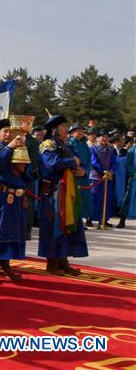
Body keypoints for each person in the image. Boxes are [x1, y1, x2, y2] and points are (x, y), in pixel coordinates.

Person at [39, 115, 88, 276]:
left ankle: (63, 260)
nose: (67, 129)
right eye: (63, 126)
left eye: (67, 126)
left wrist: (83, 171)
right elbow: (53, 164)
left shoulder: (67, 145)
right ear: (54, 129)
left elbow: (81, 162)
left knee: (66, 226)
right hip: (53, 192)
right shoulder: (47, 145)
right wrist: (73, 162)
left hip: (68, 191)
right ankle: (52, 262)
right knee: (53, 226)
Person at [0, 119, 29, 283]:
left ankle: (5, 265)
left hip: (15, 196)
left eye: (11, 131)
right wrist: (9, 147)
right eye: (5, 131)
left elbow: (27, 173)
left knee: (11, 232)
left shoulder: (20, 148)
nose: (9, 134)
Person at [67, 123, 93, 226]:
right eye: (79, 130)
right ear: (73, 132)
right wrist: (77, 170)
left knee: (84, 199)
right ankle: (73, 222)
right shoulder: (69, 143)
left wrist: (85, 171)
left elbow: (89, 160)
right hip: (74, 174)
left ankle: (81, 222)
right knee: (74, 198)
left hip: (84, 175)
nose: (81, 132)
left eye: (82, 130)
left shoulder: (84, 144)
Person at [90, 130, 116, 228]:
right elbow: (94, 162)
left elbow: (114, 162)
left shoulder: (110, 149)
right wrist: (104, 171)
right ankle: (90, 219)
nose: (104, 138)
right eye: (102, 136)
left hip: (107, 177)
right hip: (96, 178)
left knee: (107, 199)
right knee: (95, 199)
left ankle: (104, 219)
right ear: (98, 138)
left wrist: (111, 171)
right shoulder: (93, 148)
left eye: (106, 137)